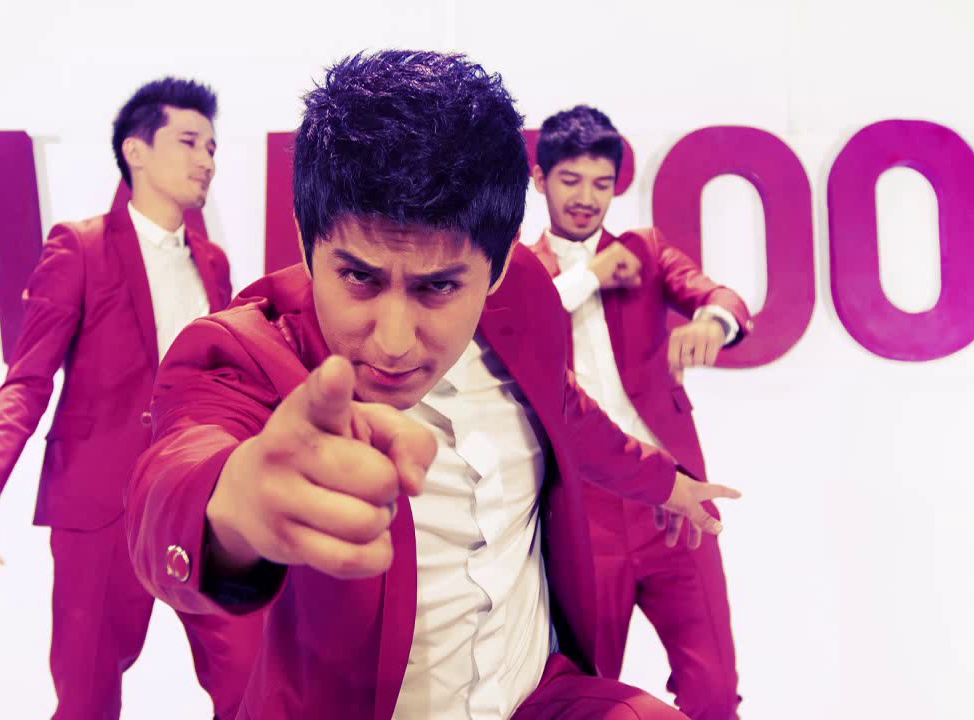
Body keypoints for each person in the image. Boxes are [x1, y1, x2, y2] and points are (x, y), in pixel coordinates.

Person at [125, 51, 740, 719]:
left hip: (541, 700)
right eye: (359, 277)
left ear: (498, 265)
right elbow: (180, 467)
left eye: (438, 286)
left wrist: (667, 483)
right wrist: (233, 507)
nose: (393, 340)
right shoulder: (244, 350)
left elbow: (568, 411)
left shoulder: (527, 298)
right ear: (306, 242)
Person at [0, 76, 260, 719]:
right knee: (87, 695)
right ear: (135, 151)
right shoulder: (80, 246)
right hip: (99, 503)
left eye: (212, 147)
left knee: (249, 678)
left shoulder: (215, 263)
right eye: (189, 141)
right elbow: (29, 376)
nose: (207, 160)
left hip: (201, 498)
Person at [528, 105, 752, 719]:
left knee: (713, 688)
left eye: (602, 183)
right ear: (540, 179)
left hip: (674, 497)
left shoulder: (645, 250)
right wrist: (590, 276)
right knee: (589, 690)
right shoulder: (524, 271)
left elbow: (720, 296)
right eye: (571, 180)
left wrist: (713, 321)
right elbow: (522, 330)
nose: (586, 198)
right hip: (583, 509)